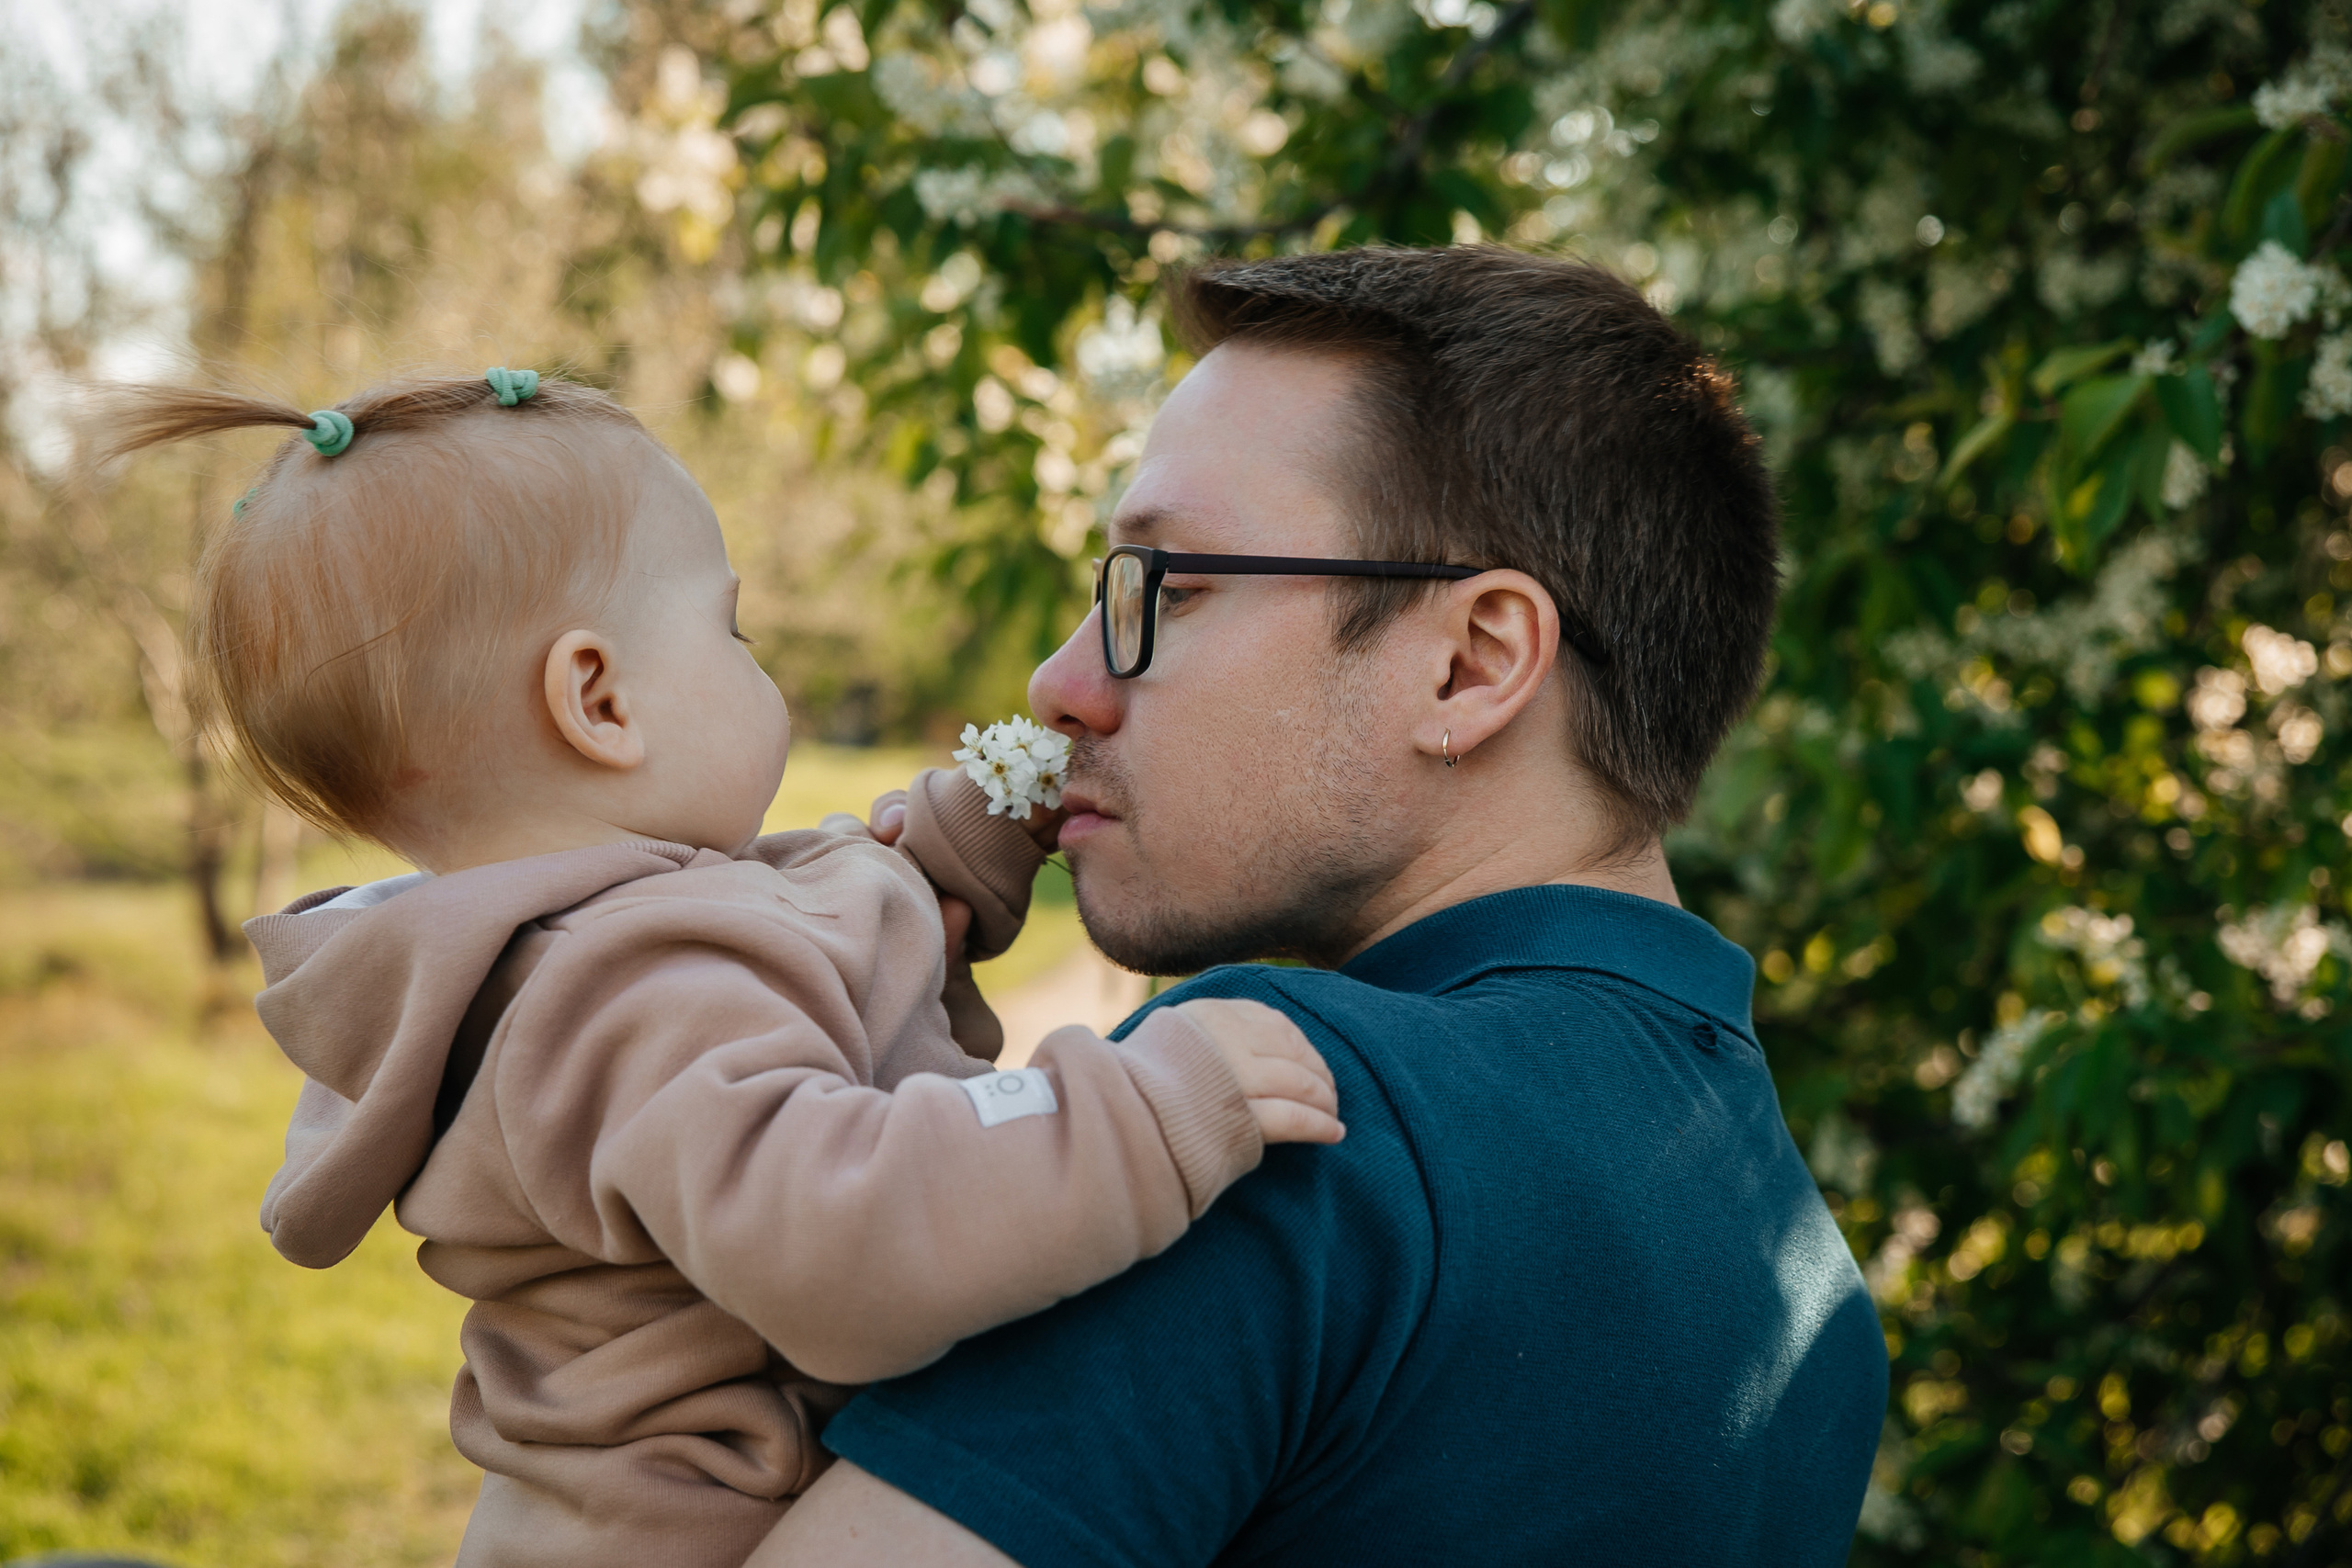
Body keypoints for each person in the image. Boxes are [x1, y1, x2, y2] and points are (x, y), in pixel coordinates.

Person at [91, 371, 1345, 1568]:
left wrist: (964, 845)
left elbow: (833, 912)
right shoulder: (626, 992)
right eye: (728, 627)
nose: (762, 664)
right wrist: (1145, 1111)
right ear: (599, 700)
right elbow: (846, 1235)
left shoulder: (609, 939)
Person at [763, 246, 1890, 1566]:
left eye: (1168, 590)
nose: (1061, 681)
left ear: (1469, 666)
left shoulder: (1267, 1116)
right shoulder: (1815, 1298)